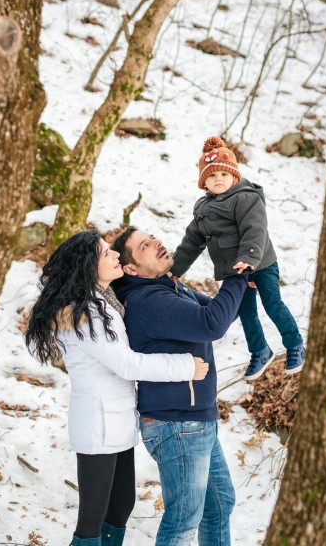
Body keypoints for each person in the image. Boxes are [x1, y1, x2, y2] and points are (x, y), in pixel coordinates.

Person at [24, 230, 210, 546]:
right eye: (106, 253)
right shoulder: (85, 314)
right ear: (87, 266)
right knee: (92, 519)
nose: (115, 256)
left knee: (120, 507)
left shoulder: (104, 302)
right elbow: (125, 363)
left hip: (117, 420)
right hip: (98, 423)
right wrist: (184, 367)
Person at [111, 227, 248, 545]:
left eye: (154, 237)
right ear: (131, 269)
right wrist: (237, 277)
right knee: (184, 521)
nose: (157, 242)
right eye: (145, 245)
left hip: (194, 420)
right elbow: (211, 324)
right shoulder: (149, 301)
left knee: (217, 507)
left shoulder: (167, 288)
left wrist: (241, 280)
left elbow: (218, 313)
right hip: (177, 424)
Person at [170, 135, 305, 381]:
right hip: (236, 271)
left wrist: (250, 258)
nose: (218, 179)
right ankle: (260, 350)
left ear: (234, 175)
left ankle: (295, 343)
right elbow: (192, 242)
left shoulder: (245, 197)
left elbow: (255, 229)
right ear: (204, 183)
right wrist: (175, 269)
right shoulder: (202, 209)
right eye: (211, 176)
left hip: (260, 263)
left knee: (272, 303)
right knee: (246, 311)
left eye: (223, 174)